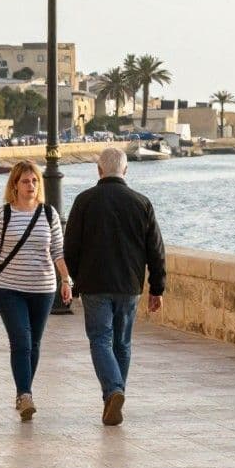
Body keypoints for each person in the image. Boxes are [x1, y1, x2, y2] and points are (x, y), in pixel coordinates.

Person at [64, 146, 166, 426]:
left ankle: (113, 392)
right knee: (122, 343)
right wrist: (157, 288)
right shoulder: (141, 202)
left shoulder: (84, 201)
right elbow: (155, 249)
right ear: (126, 170)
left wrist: (72, 282)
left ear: (99, 170)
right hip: (129, 285)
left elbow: (70, 247)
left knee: (100, 339)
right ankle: (115, 395)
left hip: (94, 285)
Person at [0, 162, 71, 421]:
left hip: (43, 288)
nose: (31, 186)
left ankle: (24, 392)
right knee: (21, 340)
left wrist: (66, 280)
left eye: (35, 181)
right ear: (14, 185)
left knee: (35, 344)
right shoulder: (2, 215)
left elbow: (58, 252)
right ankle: (25, 394)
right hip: (9, 288)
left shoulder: (48, 214)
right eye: (26, 181)